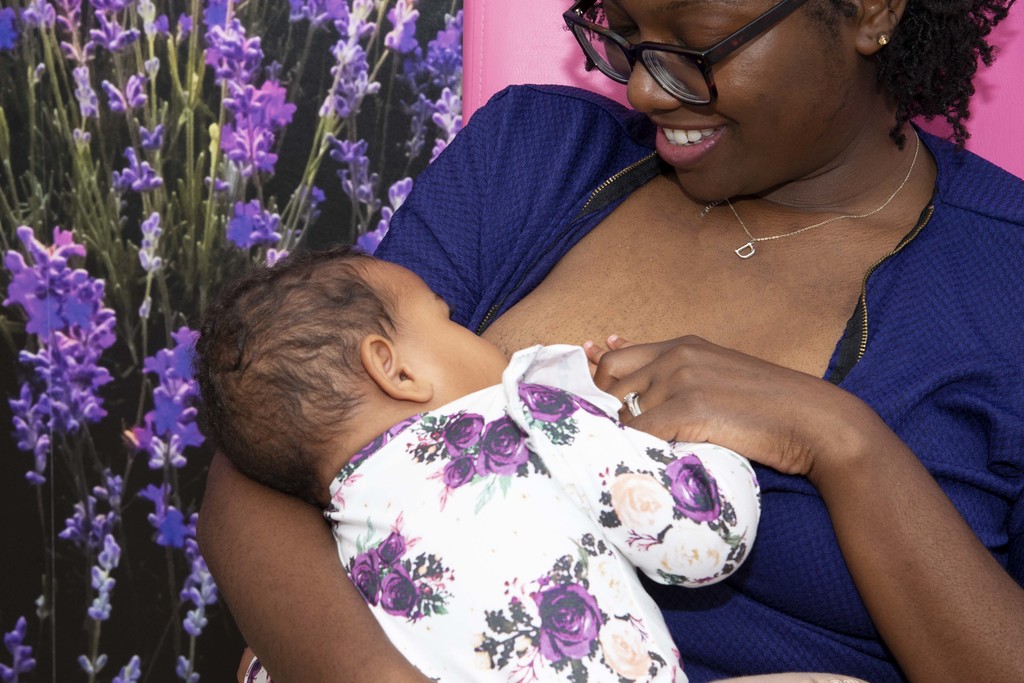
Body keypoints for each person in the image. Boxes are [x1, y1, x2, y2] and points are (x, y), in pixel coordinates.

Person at [197, 0, 1024, 680]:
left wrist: (840, 440)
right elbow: (266, 457)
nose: (645, 90)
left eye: (696, 50)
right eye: (625, 34)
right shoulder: (535, 154)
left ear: (871, 11)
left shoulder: (1004, 278)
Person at [194, 247, 761, 682]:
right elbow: (706, 539)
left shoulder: (335, 564)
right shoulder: (521, 418)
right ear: (396, 371)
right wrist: (691, 436)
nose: (475, 332)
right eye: (449, 320)